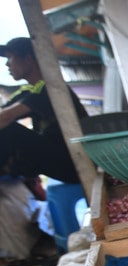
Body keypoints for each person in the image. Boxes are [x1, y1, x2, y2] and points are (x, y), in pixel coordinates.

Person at [0, 37, 88, 185]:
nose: (7, 63)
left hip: (75, 161)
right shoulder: (29, 91)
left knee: (9, 130)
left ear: (28, 59)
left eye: (10, 57)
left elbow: (4, 117)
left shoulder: (51, 88)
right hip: (59, 160)